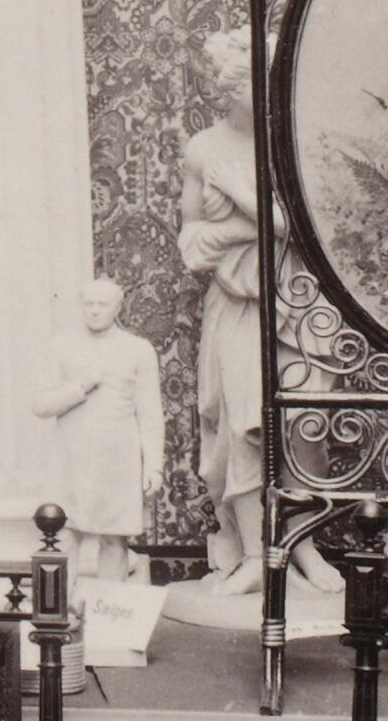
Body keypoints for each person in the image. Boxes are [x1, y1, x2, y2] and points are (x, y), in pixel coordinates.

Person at [176, 33, 267, 584]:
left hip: (291, 303)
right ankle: (253, 555)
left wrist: (240, 196)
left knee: (297, 431)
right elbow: (190, 243)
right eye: (258, 82)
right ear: (233, 90)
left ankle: (297, 549)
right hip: (235, 301)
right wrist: (245, 227)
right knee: (237, 424)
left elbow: (300, 230)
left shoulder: (291, 140)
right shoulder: (204, 149)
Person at [29, 276, 167, 563]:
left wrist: (153, 465)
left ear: (117, 307)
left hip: (118, 457)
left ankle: (109, 595)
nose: (94, 310)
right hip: (71, 455)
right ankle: (64, 594)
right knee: (64, 535)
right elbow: (41, 405)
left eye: (102, 304)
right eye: (88, 304)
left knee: (115, 538)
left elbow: (150, 413)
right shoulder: (62, 346)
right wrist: (81, 386)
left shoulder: (138, 349)